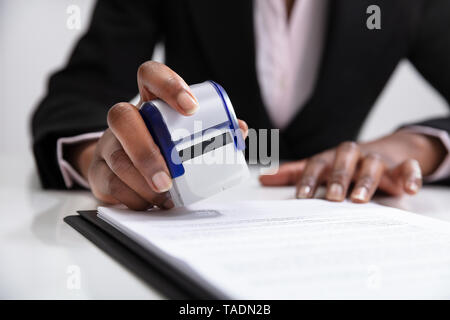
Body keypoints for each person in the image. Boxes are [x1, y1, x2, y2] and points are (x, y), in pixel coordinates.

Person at [32, 0, 450, 210]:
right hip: (194, 216)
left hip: (338, 220)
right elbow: (76, 96)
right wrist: (107, 161)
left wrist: (417, 147)